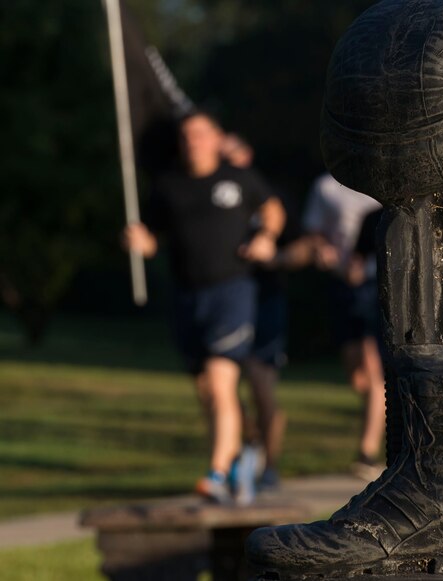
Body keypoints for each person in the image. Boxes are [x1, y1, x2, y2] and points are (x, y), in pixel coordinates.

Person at [123, 112, 285, 503]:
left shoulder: (237, 178)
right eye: (185, 135)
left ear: (216, 138)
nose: (192, 141)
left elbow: (273, 208)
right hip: (186, 297)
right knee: (208, 391)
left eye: (200, 133)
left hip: (232, 292)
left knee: (219, 380)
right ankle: (239, 458)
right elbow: (152, 235)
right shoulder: (168, 186)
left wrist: (266, 236)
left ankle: (216, 474)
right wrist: (141, 244)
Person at [301, 174, 385, 480]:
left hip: (375, 281)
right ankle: (379, 411)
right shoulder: (325, 187)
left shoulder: (383, 181)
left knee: (373, 368)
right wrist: (322, 249)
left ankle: (367, 452)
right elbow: (313, 232)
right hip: (341, 283)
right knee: (357, 377)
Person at [221, 133, 292, 492]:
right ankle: (243, 454)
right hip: (226, 300)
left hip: (264, 300)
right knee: (225, 388)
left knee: (262, 386)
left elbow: (305, 247)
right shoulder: (211, 196)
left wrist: (273, 253)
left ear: (246, 154)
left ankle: (269, 465)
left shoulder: (269, 196)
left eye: (229, 150)